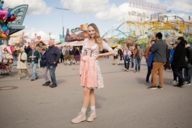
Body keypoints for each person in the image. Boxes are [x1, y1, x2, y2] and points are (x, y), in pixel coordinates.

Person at [71, 23, 114, 124]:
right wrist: (80, 70)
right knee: (90, 91)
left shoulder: (100, 42)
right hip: (84, 66)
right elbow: (82, 55)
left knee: (86, 90)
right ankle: (93, 112)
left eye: (92, 30)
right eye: (89, 31)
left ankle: (82, 114)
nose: (91, 32)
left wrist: (99, 55)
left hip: (93, 67)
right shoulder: (85, 41)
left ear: (96, 30)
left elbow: (113, 52)